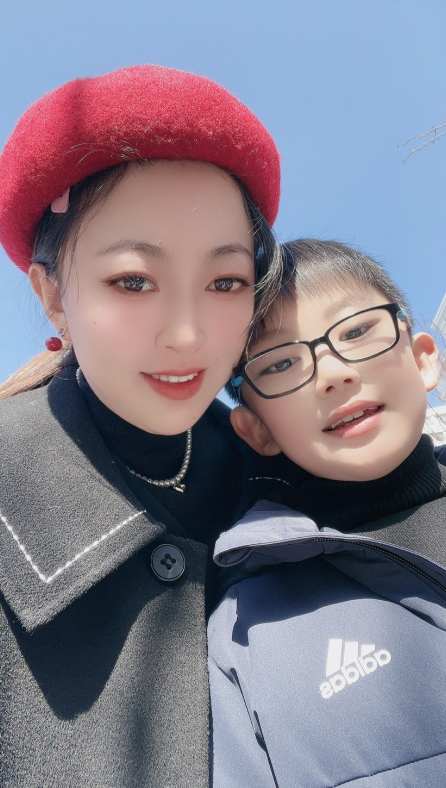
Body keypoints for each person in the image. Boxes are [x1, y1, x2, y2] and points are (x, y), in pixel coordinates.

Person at [0, 64, 286, 788]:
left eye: (225, 281)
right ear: (52, 296)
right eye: (133, 280)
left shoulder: (293, 475)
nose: (187, 335)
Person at [208, 239, 446, 788]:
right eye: (280, 362)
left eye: (357, 331)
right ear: (256, 430)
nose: (332, 373)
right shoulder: (245, 634)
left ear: (422, 358)